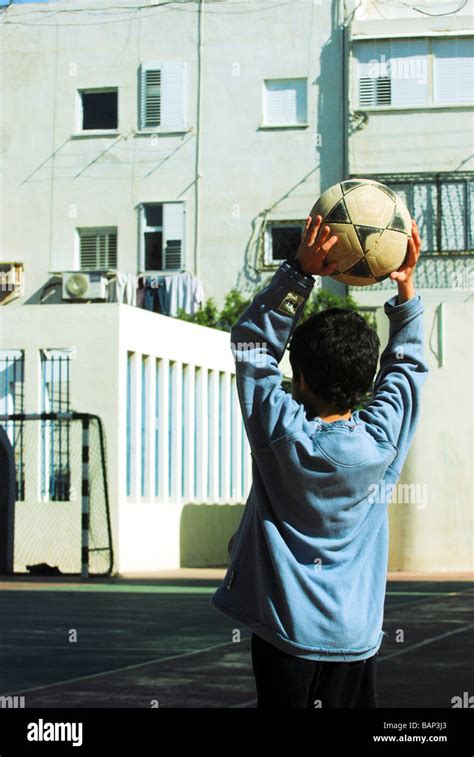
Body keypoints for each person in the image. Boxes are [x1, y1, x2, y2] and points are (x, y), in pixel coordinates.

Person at [210, 213, 427, 709]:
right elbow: (408, 368)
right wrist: (405, 291)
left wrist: (298, 272)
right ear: (367, 383)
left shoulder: (281, 434)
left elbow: (252, 346)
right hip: (355, 637)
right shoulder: (383, 443)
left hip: (286, 635)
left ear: (300, 379)